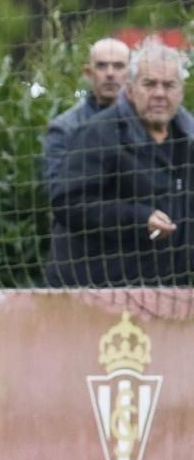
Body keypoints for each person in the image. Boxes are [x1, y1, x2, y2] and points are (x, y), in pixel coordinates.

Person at [52, 39, 194, 287]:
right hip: (101, 289)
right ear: (130, 89)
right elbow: (67, 203)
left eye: (169, 85)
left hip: (172, 289)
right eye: (149, 84)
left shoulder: (188, 138)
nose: (159, 93)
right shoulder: (99, 133)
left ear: (180, 92)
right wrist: (139, 218)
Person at [43, 38, 130, 286]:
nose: (111, 74)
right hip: (78, 266)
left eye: (118, 66)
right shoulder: (65, 128)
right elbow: (59, 196)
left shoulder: (148, 127)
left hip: (135, 266)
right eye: (102, 66)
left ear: (131, 72)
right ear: (88, 72)